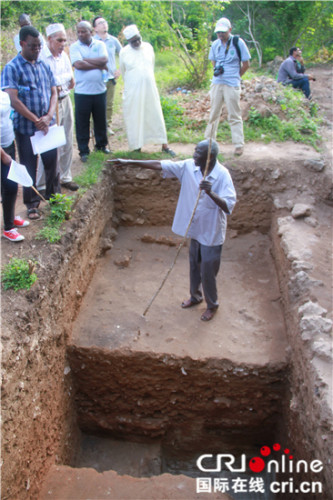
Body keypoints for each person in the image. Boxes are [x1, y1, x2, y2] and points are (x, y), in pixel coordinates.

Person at [111, 139, 237, 321]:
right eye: (194, 151)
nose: (193, 155)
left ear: (209, 158)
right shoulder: (189, 167)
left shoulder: (222, 175)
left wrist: (211, 192)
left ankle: (212, 305)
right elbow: (160, 164)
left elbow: (228, 206)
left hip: (211, 232)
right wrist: (129, 162)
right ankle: (195, 297)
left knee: (208, 272)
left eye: (197, 153)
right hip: (195, 230)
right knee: (194, 266)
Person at [1, 25, 61, 220]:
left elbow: (54, 92)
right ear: (22, 44)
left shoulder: (44, 65)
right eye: (33, 46)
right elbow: (13, 99)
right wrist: (36, 120)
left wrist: (48, 116)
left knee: (52, 163)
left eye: (39, 46)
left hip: (47, 126)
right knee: (28, 165)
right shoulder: (12, 68)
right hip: (26, 128)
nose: (37, 49)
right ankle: (32, 204)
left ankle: (54, 199)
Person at [119, 24, 175, 155]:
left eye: (138, 39)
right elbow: (123, 72)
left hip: (150, 89)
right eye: (134, 41)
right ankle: (137, 146)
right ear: (128, 41)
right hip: (133, 91)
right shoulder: (124, 52)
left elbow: (152, 66)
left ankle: (164, 145)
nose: (137, 42)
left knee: (155, 115)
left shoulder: (148, 47)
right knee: (135, 116)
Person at [39, 23, 78, 191]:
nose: (63, 44)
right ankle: (42, 184)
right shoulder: (41, 57)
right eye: (60, 40)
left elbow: (71, 80)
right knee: (48, 144)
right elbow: (48, 84)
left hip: (65, 99)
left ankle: (65, 177)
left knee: (67, 139)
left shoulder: (64, 56)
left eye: (65, 40)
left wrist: (59, 84)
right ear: (49, 39)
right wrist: (59, 84)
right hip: (49, 104)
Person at [205, 17, 251, 157]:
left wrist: (236, 76)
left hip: (232, 83)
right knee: (214, 113)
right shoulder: (215, 45)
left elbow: (246, 64)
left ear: (229, 30)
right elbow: (213, 61)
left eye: (223, 32)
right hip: (217, 82)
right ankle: (209, 143)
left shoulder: (238, 43)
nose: (220, 35)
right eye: (218, 32)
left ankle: (238, 144)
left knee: (234, 114)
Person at [70, 21, 110, 163]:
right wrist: (97, 63)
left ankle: (101, 146)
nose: (81, 34)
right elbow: (78, 65)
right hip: (82, 92)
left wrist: (86, 60)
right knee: (82, 122)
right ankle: (84, 151)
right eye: (78, 32)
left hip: (99, 90)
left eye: (84, 31)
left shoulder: (100, 45)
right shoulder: (74, 47)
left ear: (90, 32)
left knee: (100, 120)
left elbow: (105, 59)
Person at [1, 89, 29, 242]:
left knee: (8, 185)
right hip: (1, 150)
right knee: (10, 186)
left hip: (8, 144)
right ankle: (9, 228)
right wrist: (3, 155)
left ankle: (10, 217)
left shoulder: (4, 95)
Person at [92, 16, 122, 135]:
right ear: (95, 28)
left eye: (105, 22)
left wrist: (120, 69)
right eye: (100, 23)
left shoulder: (113, 40)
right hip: (97, 78)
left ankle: (107, 126)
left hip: (110, 77)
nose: (104, 24)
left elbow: (123, 54)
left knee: (109, 104)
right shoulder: (93, 41)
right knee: (96, 104)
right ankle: (94, 128)